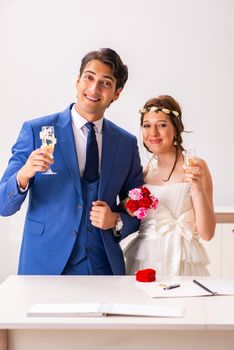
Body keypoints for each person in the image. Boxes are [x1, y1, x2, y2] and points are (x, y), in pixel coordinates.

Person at [0, 48, 144, 275]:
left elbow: (139, 209)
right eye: (89, 77)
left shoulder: (126, 144)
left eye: (106, 83)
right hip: (44, 265)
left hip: (103, 268)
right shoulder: (36, 130)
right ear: (77, 81)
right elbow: (3, 205)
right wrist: (24, 174)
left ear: (116, 93)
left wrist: (116, 221)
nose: (94, 88)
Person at [124, 95, 216, 276]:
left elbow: (207, 233)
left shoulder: (196, 167)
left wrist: (196, 187)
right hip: (146, 261)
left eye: (162, 124)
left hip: (183, 259)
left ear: (176, 128)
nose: (153, 133)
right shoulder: (143, 174)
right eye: (147, 125)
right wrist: (129, 206)